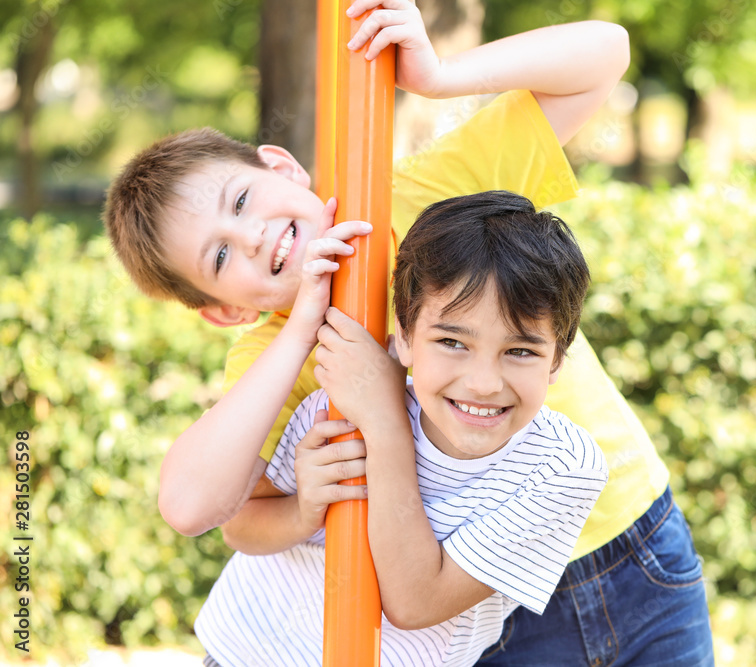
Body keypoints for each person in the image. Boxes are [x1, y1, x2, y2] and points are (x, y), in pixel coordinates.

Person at [103, 1, 714, 663]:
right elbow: (207, 509)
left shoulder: (424, 193)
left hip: (629, 542)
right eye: (219, 257)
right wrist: (301, 503)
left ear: (281, 167)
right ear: (226, 309)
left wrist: (441, 74)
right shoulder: (277, 354)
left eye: (242, 201)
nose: (250, 237)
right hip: (480, 610)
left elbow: (605, 53)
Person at [195, 190, 609, 666]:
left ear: (556, 359)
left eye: (520, 351)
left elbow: (416, 601)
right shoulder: (336, 409)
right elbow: (240, 526)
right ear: (405, 336)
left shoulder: (561, 466)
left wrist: (386, 424)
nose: (483, 383)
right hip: (241, 652)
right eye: (452, 342)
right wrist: (301, 510)